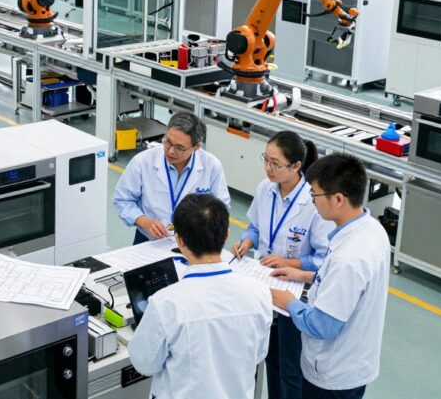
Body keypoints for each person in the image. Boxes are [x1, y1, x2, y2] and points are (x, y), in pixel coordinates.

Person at [270, 153, 391, 399]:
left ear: (338, 199)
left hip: (332, 375)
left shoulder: (349, 258)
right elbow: (348, 287)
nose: (312, 201)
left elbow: (322, 325)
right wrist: (304, 275)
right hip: (355, 363)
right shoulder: (371, 229)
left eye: (315, 194)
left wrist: (289, 303)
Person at [128, 193, 272, 399]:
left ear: (180, 241)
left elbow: (144, 363)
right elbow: (258, 355)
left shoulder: (166, 303)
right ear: (226, 234)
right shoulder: (259, 293)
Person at [231, 131, 334, 399]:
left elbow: (323, 258)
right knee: (269, 358)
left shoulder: (313, 202)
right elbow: (254, 227)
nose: (268, 168)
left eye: (276, 164)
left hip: (293, 292)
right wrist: (246, 242)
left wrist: (289, 262)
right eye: (266, 160)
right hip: (262, 284)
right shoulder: (264, 189)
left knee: (290, 366)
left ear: (296, 166)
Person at [113, 112, 230, 245]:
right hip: (148, 238)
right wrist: (144, 222)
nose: (170, 151)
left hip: (193, 242)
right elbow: (123, 199)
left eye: (180, 148)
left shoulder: (211, 165)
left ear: (196, 147)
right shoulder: (143, 162)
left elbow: (221, 207)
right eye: (168, 142)